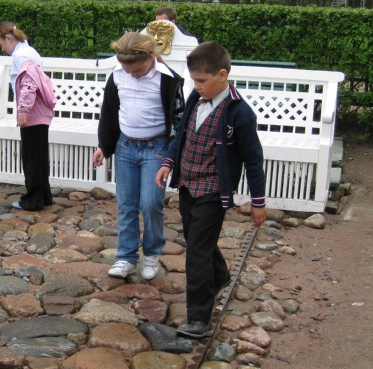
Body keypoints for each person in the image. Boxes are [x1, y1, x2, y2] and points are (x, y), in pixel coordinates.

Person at [155, 41, 267, 338]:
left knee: (197, 253)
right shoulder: (196, 98)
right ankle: (219, 276)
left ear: (222, 74)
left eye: (202, 80)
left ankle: (199, 318)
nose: (196, 85)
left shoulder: (239, 113)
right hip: (189, 184)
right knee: (195, 239)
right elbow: (181, 135)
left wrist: (258, 202)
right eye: (194, 79)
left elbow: (253, 159)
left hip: (215, 191)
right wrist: (168, 161)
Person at [93, 32, 185, 281]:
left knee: (151, 203)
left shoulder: (169, 80)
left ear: (151, 57)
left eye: (137, 69)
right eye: (127, 68)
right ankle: (126, 256)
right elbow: (110, 113)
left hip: (155, 149)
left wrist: (170, 158)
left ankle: (152, 253)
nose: (131, 73)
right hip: (125, 148)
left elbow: (180, 121)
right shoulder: (117, 75)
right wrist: (105, 146)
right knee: (126, 204)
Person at [0, 21, 57, 211]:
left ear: (9, 38)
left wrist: (23, 111)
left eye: (1, 44)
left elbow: (29, 84)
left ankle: (33, 199)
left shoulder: (21, 56)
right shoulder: (29, 52)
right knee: (40, 155)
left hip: (33, 114)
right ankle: (44, 195)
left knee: (31, 157)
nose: (3, 48)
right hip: (40, 113)